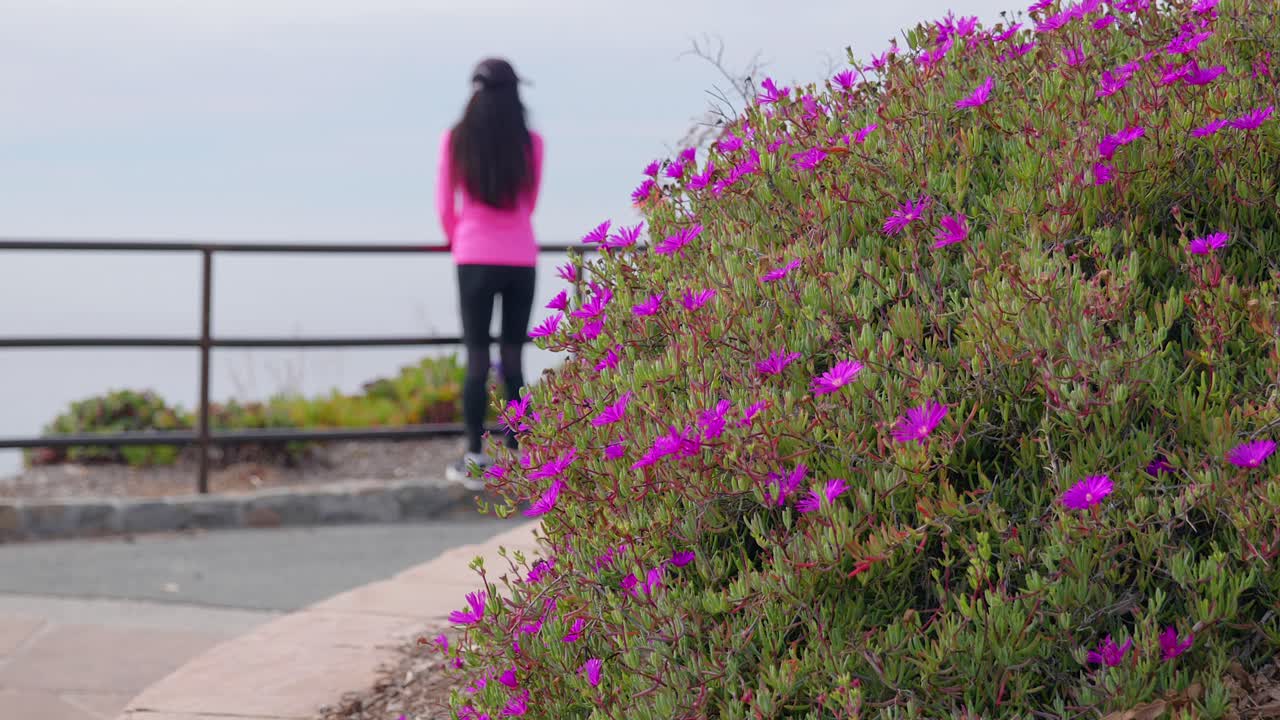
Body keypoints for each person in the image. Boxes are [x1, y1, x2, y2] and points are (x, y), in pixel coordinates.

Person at [437, 57, 543, 488]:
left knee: (477, 359)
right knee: (514, 358)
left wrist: (458, 237)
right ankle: (520, 456)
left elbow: (447, 207)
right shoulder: (530, 142)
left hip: (473, 255)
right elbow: (531, 201)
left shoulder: (456, 139)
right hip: (521, 257)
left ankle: (476, 457)